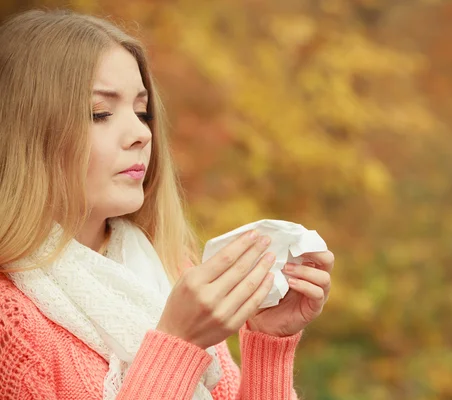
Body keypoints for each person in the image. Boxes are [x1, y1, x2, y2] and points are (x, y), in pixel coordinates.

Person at [0, 9, 334, 400]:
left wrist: (268, 344)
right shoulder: (11, 319)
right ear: (27, 134)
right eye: (100, 113)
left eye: (142, 112)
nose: (141, 133)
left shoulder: (167, 269)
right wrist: (177, 346)